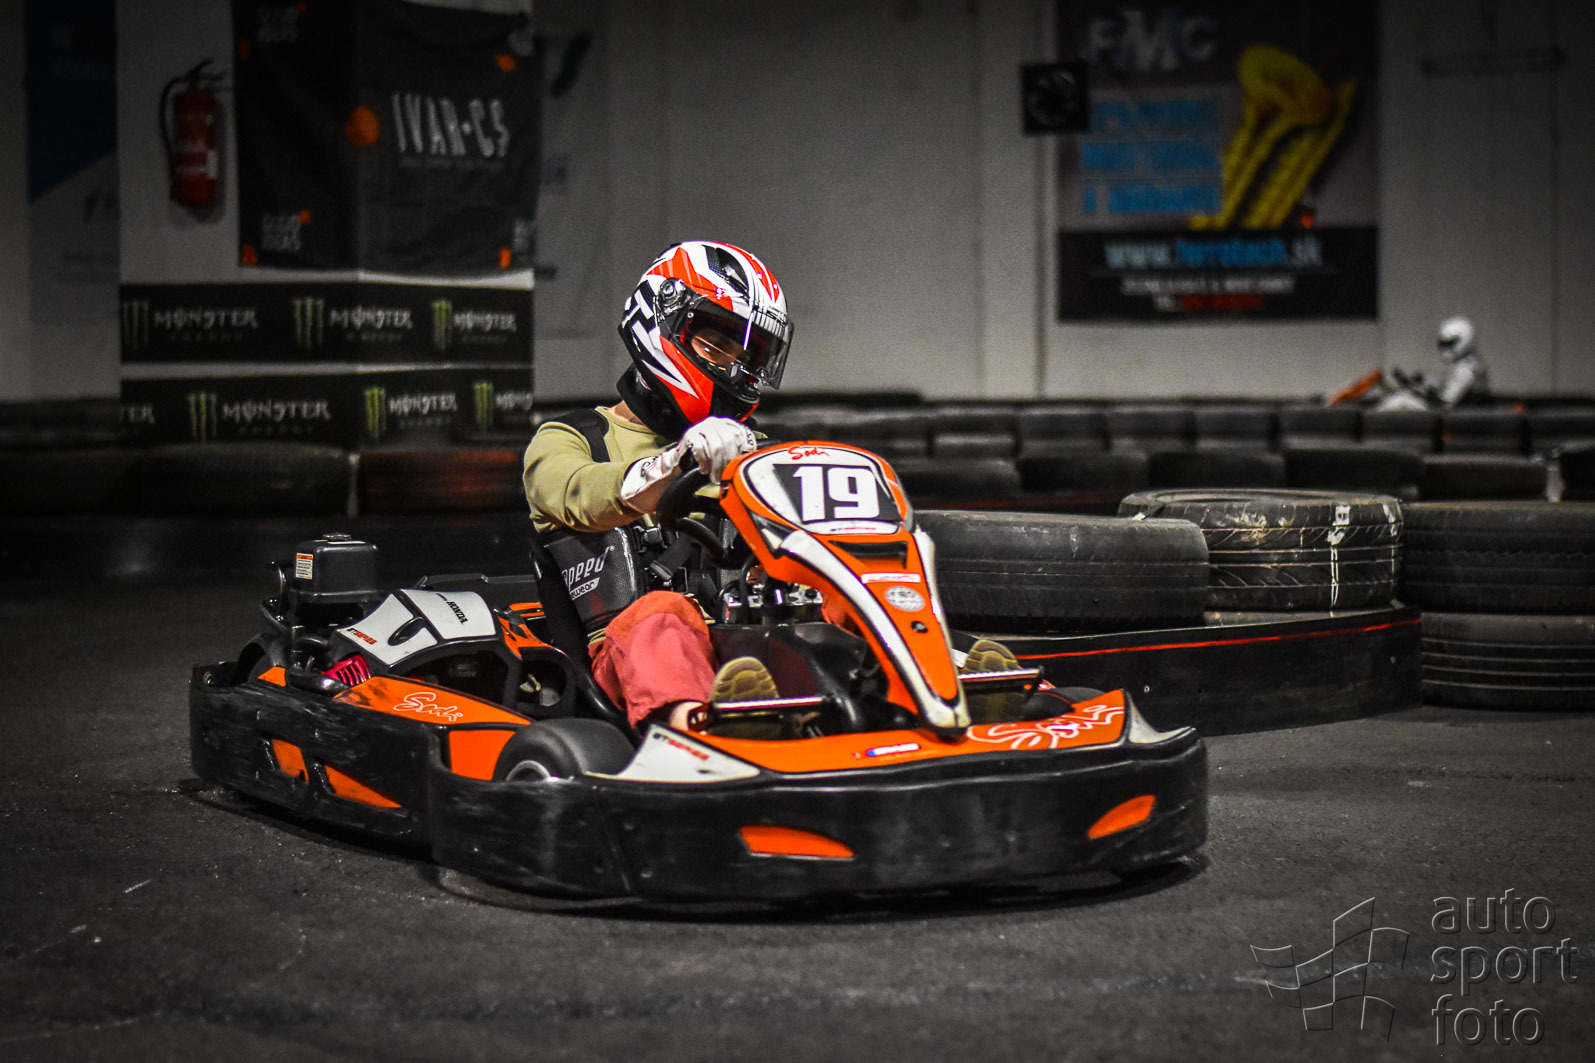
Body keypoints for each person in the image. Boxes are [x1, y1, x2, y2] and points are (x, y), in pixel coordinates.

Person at [522, 240, 795, 733]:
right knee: (663, 614)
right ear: (660, 323)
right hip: (625, 659)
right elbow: (581, 493)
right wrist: (675, 463)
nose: (734, 370)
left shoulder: (754, 453)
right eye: (717, 346)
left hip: (745, 644)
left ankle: (931, 698)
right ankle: (698, 729)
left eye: (748, 359)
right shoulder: (571, 438)